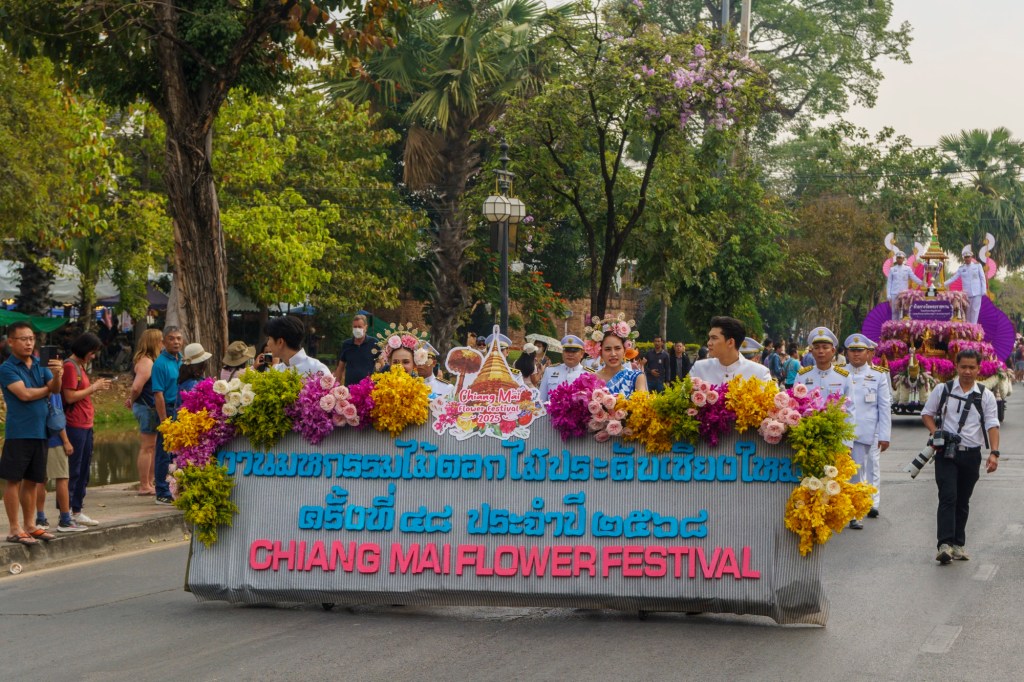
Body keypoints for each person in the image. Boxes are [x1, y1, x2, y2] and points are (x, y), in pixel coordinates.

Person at [921, 349, 1000, 564]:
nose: (967, 371)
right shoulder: (943, 390)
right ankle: (944, 545)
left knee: (963, 500)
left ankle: (958, 544)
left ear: (978, 369)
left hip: (971, 455)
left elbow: (992, 424)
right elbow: (927, 414)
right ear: (956, 366)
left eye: (971, 367)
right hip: (946, 453)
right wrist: (935, 432)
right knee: (948, 496)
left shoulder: (985, 395)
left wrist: (994, 453)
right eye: (963, 367)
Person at [0, 321, 63, 545]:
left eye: (31, 339)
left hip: (40, 431)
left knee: (33, 481)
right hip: (19, 432)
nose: (28, 343)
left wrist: (57, 375)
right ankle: (14, 528)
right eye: (23, 339)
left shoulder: (39, 363)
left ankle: (30, 525)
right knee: (14, 480)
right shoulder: (7, 368)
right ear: (11, 341)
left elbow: (56, 389)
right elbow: (24, 394)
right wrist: (47, 389)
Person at [61, 332, 112, 527]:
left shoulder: (80, 366)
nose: (94, 356)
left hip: (86, 424)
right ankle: (67, 511)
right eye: (92, 352)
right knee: (74, 469)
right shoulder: (69, 366)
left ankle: (77, 509)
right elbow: (69, 396)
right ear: (84, 349)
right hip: (74, 424)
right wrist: (94, 388)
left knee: (84, 469)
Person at [843, 334, 891, 528]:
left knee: (864, 468)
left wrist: (885, 435)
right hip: (841, 430)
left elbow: (884, 407)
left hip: (867, 430)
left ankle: (865, 506)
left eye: (860, 351)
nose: (856, 354)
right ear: (847, 353)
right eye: (852, 351)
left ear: (868, 353)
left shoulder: (878, 375)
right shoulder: (839, 373)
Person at [34, 393, 87, 532]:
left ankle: (40, 518)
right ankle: (65, 520)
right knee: (62, 478)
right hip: (54, 439)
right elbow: (56, 416)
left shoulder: (34, 385)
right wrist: (66, 441)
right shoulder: (53, 388)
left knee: (41, 480)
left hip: (37, 437)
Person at [127, 329, 163, 496]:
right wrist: (132, 400)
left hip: (150, 407)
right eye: (161, 340)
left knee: (153, 446)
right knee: (147, 446)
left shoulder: (152, 360)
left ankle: (150, 482)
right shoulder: (146, 361)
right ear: (153, 342)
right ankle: (144, 484)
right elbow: (136, 387)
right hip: (146, 407)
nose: (163, 343)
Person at [152, 326, 183, 506]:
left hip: (181, 410)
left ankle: (175, 489)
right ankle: (162, 492)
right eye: (171, 338)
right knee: (164, 452)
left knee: (177, 453)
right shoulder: (160, 364)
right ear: (163, 342)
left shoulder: (181, 360)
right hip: (168, 410)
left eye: (178, 338)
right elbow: (158, 394)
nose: (176, 342)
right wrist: (164, 421)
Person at [690, 317, 772, 385]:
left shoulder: (760, 373)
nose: (709, 343)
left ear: (730, 342)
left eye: (714, 338)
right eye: (709, 338)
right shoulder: (699, 368)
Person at [590, 317, 648, 398]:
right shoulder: (591, 379)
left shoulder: (636, 377)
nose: (613, 354)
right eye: (607, 349)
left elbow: (643, 403)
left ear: (624, 350)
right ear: (600, 352)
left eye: (617, 348)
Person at [265, 316, 331, 377]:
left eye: (269, 339)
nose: (267, 343)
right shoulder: (276, 370)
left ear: (280, 342)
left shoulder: (317, 370)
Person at [538, 335, 593, 402]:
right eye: (567, 351)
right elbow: (540, 400)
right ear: (562, 353)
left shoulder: (589, 375)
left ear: (582, 354)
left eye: (574, 351)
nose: (570, 354)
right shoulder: (550, 371)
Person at [945, 246, 988, 324]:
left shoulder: (977, 266)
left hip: (977, 292)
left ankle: (973, 328)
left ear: (971, 257)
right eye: (965, 257)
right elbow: (953, 278)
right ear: (963, 258)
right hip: (967, 294)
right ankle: (968, 328)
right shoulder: (961, 268)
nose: (967, 259)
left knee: (975, 311)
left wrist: (983, 290)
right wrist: (943, 284)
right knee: (967, 312)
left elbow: (982, 278)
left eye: (968, 257)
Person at [334, 314, 378, 385]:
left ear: (366, 327)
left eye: (360, 327)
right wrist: (335, 386)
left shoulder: (374, 343)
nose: (357, 329)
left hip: (368, 387)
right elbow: (340, 368)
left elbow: (382, 365)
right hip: (350, 387)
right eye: (355, 327)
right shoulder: (346, 344)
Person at [886, 250, 923, 320]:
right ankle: (894, 326)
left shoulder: (907, 269)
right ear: (896, 258)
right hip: (894, 293)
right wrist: (888, 294)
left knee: (903, 312)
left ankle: (901, 326)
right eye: (898, 258)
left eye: (901, 258)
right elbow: (889, 283)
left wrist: (922, 283)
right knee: (894, 312)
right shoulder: (892, 269)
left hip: (904, 294)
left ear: (903, 259)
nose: (899, 259)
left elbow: (914, 277)